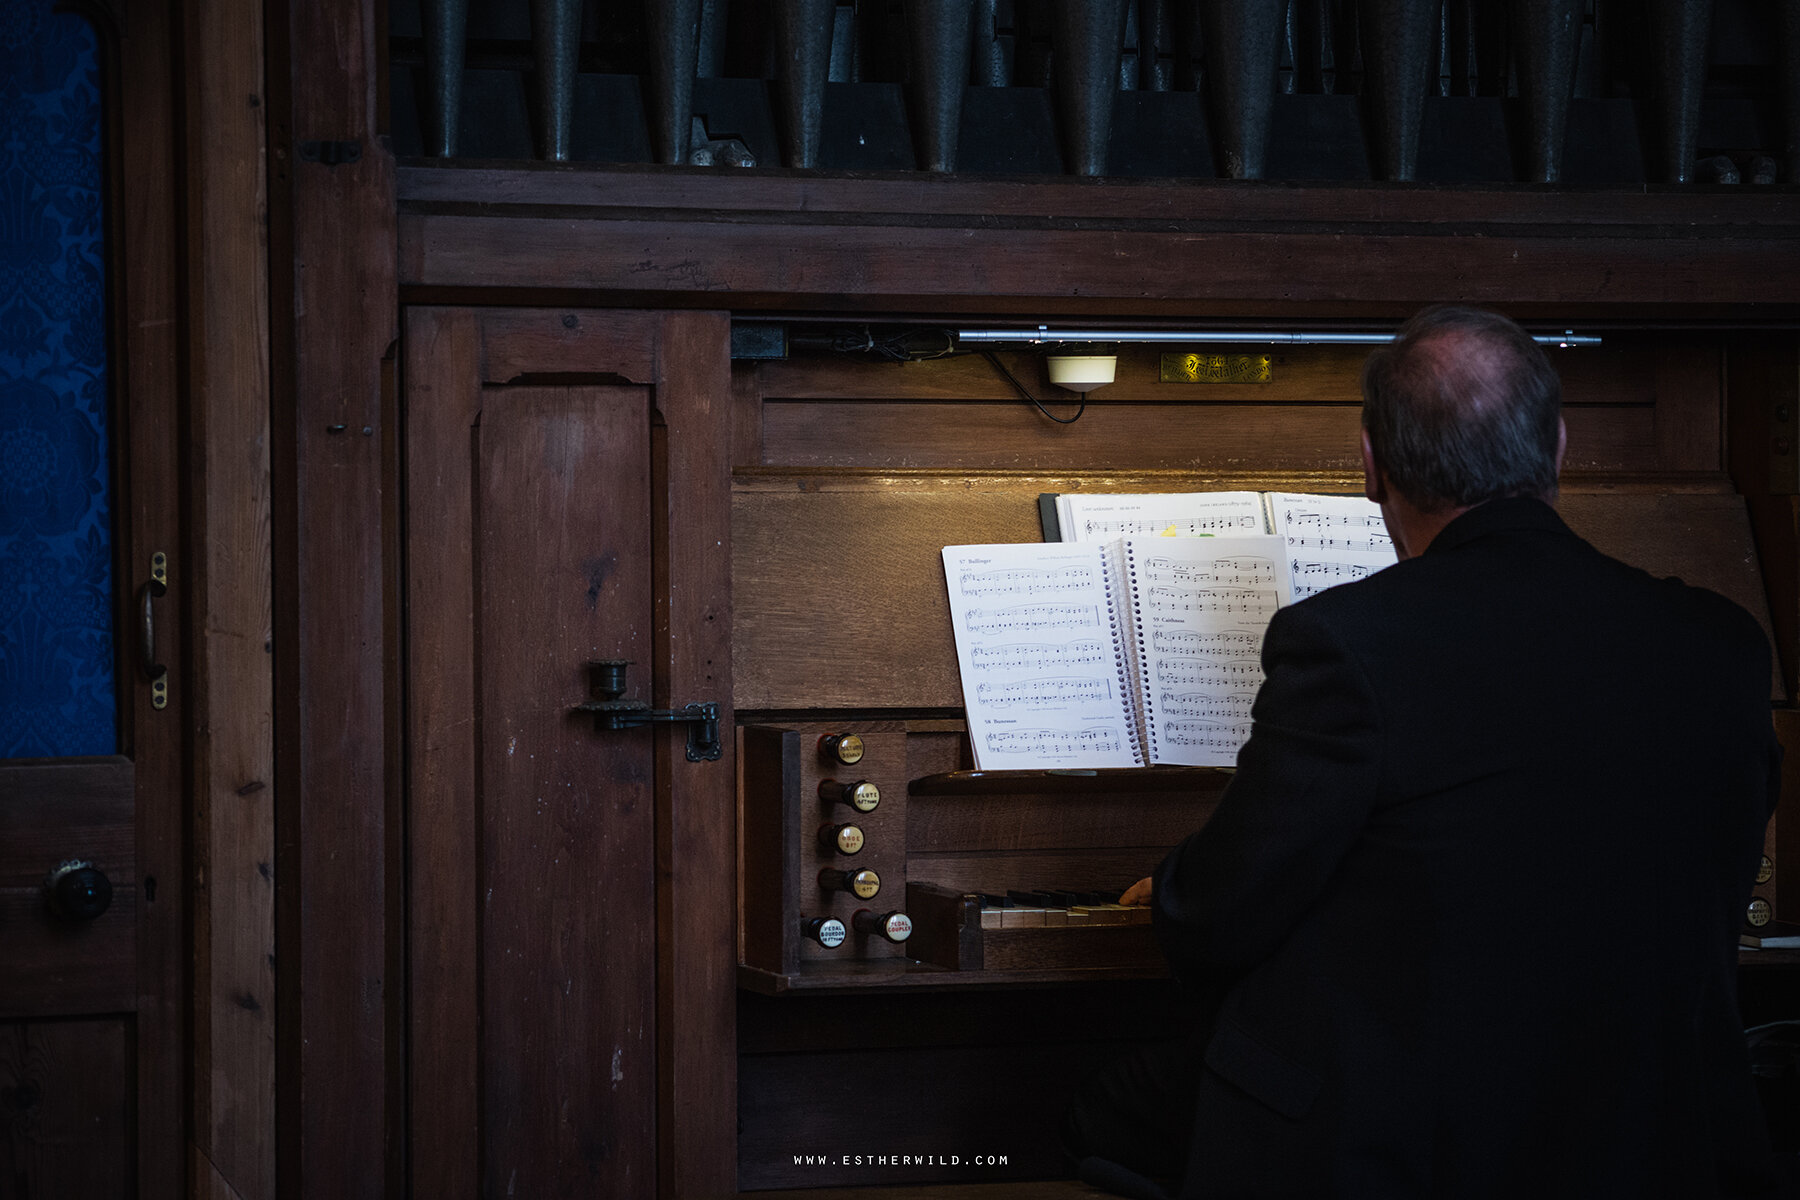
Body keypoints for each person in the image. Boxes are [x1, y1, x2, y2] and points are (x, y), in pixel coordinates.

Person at [1066, 305, 1787, 1198]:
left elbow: (1216, 921)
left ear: (1370, 465)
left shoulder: (1348, 643)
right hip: (1661, 1133)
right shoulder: (1722, 643)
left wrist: (1164, 895)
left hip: (1418, 1145)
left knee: (1078, 1107)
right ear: (1556, 447)